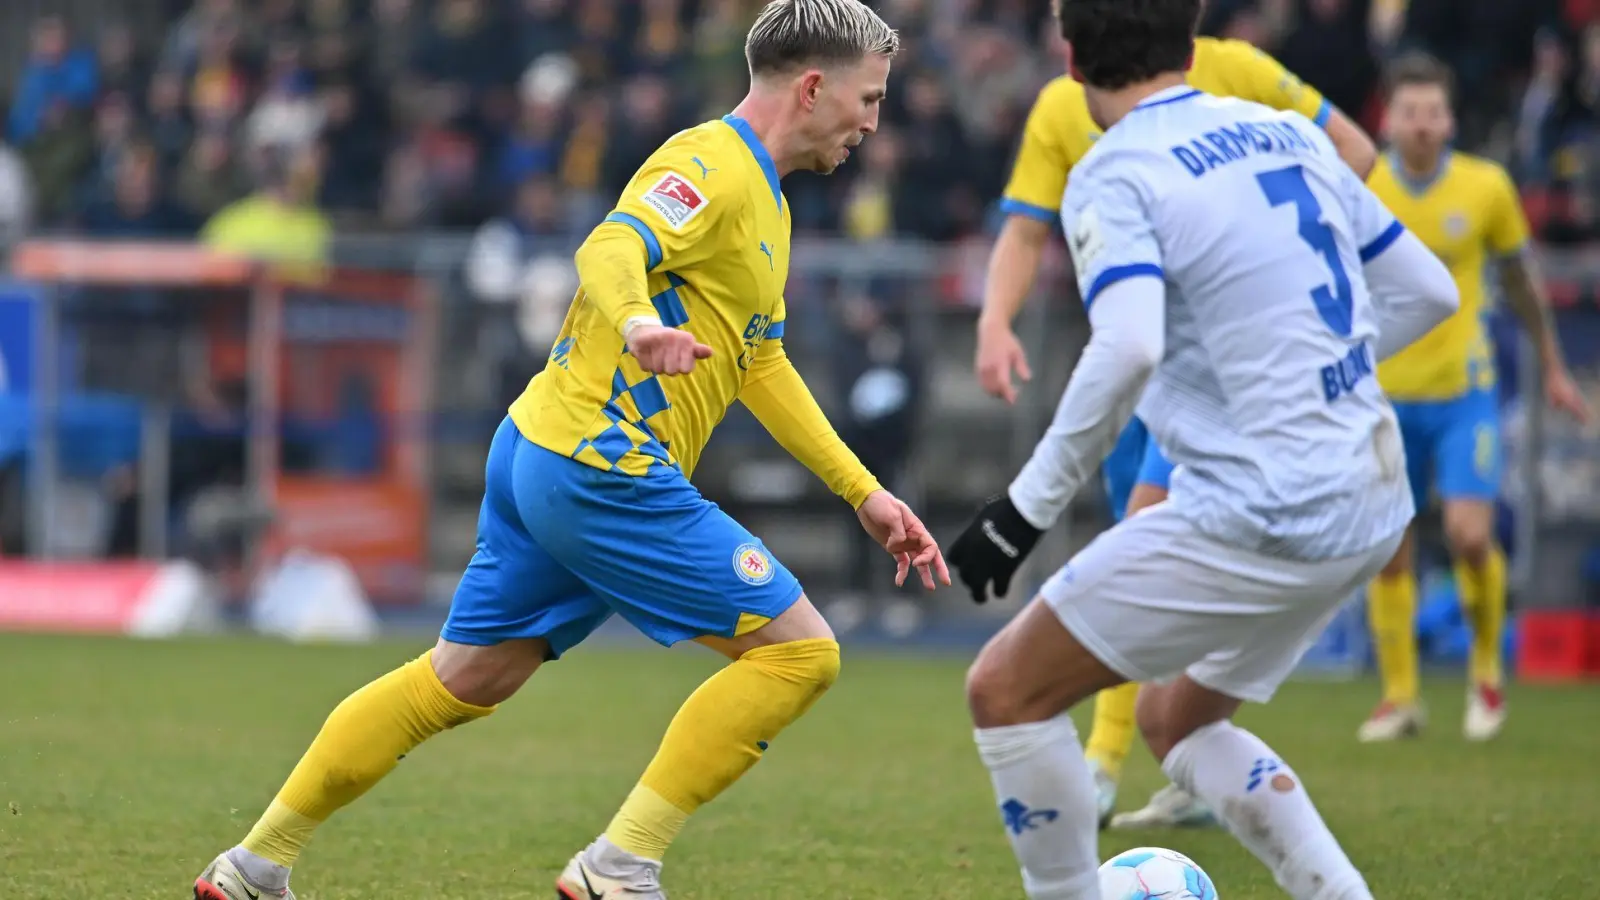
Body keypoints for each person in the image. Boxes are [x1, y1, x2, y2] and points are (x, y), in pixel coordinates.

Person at [192, 4, 949, 899]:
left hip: (543, 451)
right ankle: (621, 863)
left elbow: (762, 361)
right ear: (814, 87)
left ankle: (254, 864)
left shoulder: (770, 201)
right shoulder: (710, 163)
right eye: (868, 99)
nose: (872, 122)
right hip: (601, 464)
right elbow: (611, 244)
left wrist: (863, 494)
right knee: (801, 654)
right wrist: (635, 321)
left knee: (461, 678)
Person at [946, 0, 1461, 896]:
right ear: (1193, 46)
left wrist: (1023, 511)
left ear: (1072, 64)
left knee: (1004, 690)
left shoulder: (1114, 171)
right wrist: (1308, 381)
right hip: (1371, 497)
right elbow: (1429, 290)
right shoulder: (1288, 133)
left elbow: (1130, 345)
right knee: (1177, 720)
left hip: (1263, 510)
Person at [1357, 52, 1591, 744]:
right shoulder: (1363, 186)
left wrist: (1551, 364)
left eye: (1434, 112)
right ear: (1388, 118)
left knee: (1468, 534)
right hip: (1384, 396)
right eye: (1410, 113)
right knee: (1388, 549)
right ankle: (1400, 697)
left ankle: (1486, 673)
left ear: (1450, 118)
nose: (1423, 125)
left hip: (1466, 391)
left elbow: (1521, 283)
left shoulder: (1485, 187)